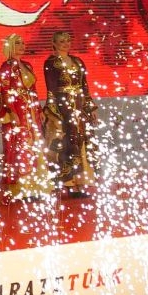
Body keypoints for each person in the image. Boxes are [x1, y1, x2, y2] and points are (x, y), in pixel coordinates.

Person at [0, 34, 54, 201]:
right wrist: (12, 111)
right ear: (10, 46)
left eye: (23, 43)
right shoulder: (6, 67)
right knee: (21, 147)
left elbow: (33, 89)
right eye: (18, 43)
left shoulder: (27, 65)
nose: (22, 46)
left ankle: (36, 186)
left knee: (35, 146)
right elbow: (6, 92)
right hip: (18, 111)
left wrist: (39, 109)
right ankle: (22, 189)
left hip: (31, 111)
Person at [43, 30, 96, 197]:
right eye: (61, 41)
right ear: (54, 43)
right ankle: (67, 182)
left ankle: (80, 181)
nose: (66, 43)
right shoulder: (51, 63)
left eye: (68, 40)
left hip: (79, 106)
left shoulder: (77, 62)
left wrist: (90, 107)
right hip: (63, 107)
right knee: (67, 143)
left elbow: (84, 86)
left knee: (81, 141)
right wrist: (54, 113)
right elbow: (51, 89)